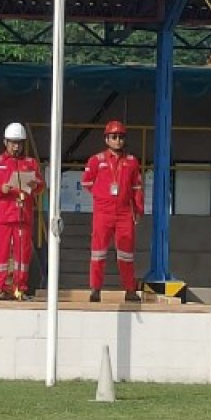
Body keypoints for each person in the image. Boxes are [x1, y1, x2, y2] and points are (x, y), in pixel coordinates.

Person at [81, 120, 144, 303]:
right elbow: (86, 182)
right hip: (103, 212)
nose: (118, 141)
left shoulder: (131, 162)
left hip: (124, 212)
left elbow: (137, 188)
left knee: (126, 253)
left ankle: (130, 289)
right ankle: (95, 289)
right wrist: (101, 196)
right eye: (114, 137)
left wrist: (138, 209)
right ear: (107, 139)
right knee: (98, 252)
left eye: (121, 137)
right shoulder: (96, 160)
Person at [0, 122, 43, 300]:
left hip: (23, 216)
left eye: (19, 143)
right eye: (13, 142)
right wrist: (2, 189)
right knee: (0, 254)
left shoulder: (30, 163)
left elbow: (40, 186)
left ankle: (20, 288)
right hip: (3, 216)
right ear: (5, 142)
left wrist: (35, 185)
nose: (16, 147)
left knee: (22, 256)